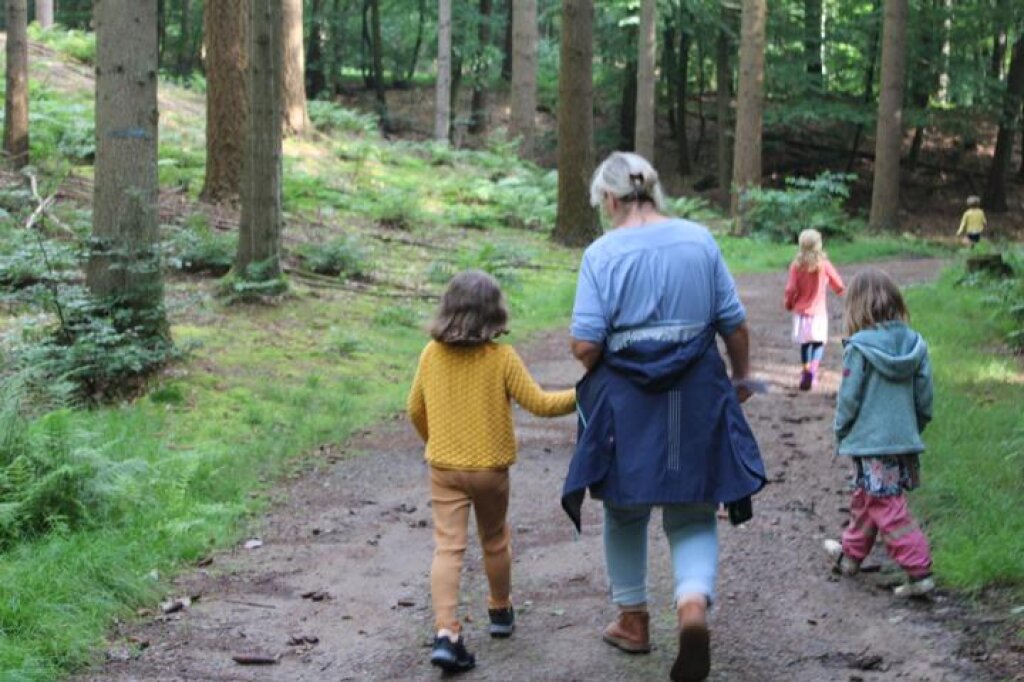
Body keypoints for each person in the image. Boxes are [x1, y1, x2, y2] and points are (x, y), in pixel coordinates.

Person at [562, 152, 766, 682]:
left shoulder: (601, 254)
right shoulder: (699, 240)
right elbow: (734, 325)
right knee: (694, 507)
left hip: (627, 396)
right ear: (652, 189)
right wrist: (740, 379)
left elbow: (586, 345)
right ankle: (692, 605)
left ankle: (632, 620)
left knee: (625, 507)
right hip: (694, 388)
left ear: (609, 199)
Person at [407, 270, 576, 674]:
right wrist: (584, 394)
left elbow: (415, 408)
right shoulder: (501, 358)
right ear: (494, 313)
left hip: (444, 466)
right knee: (495, 539)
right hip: (489, 469)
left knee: (448, 547)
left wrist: (436, 440)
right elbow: (539, 403)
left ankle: (446, 633)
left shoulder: (431, 354)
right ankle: (500, 612)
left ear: (448, 308)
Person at [822, 268, 935, 598]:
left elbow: (849, 397)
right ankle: (851, 555)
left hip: (872, 443)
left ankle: (919, 569)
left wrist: (841, 429)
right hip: (902, 439)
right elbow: (924, 397)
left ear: (856, 307)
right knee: (867, 496)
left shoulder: (859, 349)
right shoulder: (916, 345)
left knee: (886, 503)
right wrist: (915, 426)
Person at [783, 229, 845, 390]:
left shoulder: (796, 266)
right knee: (818, 343)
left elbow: (791, 289)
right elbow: (838, 284)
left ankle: (805, 371)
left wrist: (789, 303)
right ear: (819, 245)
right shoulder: (824, 264)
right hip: (818, 313)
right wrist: (839, 291)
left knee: (805, 344)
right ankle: (813, 371)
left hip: (802, 313)